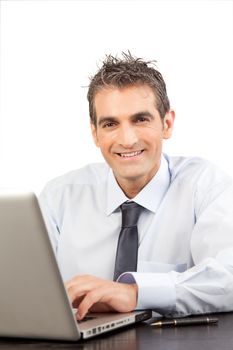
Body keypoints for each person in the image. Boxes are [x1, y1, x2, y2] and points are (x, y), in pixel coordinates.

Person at [39, 52, 233, 321]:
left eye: (140, 119)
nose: (127, 139)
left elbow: (229, 276)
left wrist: (135, 293)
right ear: (95, 133)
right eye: (110, 124)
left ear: (166, 123)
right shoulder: (59, 197)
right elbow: (20, 285)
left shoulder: (205, 186)